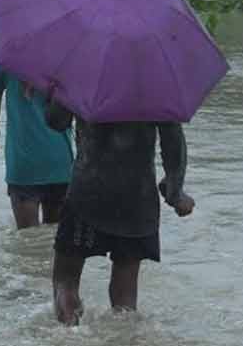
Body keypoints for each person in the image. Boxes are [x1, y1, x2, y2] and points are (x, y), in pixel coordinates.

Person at [45, 100, 195, 325]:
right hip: (136, 201)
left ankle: (68, 337)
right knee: (125, 301)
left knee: (65, 281)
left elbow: (56, 121)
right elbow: (173, 141)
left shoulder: (84, 74)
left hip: (87, 194)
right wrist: (175, 193)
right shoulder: (155, 84)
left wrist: (56, 94)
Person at [0, 62, 74, 229]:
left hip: (25, 162)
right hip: (61, 162)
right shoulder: (65, 59)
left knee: (28, 238)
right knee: (55, 238)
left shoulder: (5, 58)